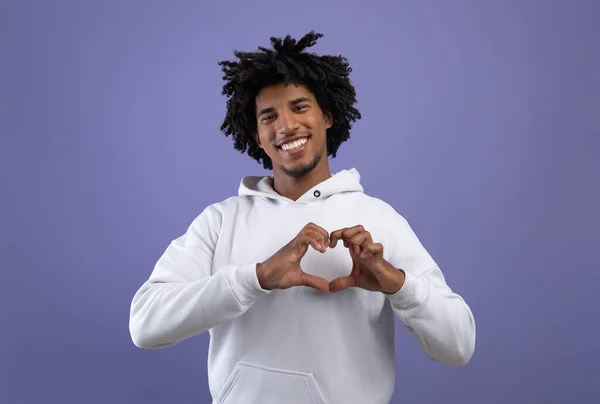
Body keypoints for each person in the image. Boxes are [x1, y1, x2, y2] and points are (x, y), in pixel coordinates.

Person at [129, 31, 476, 404]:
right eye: (269, 116)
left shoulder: (378, 221)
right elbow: (145, 324)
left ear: (327, 116)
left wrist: (398, 284)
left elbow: (458, 345)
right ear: (258, 136)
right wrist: (255, 278)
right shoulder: (219, 221)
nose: (286, 126)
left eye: (299, 107)